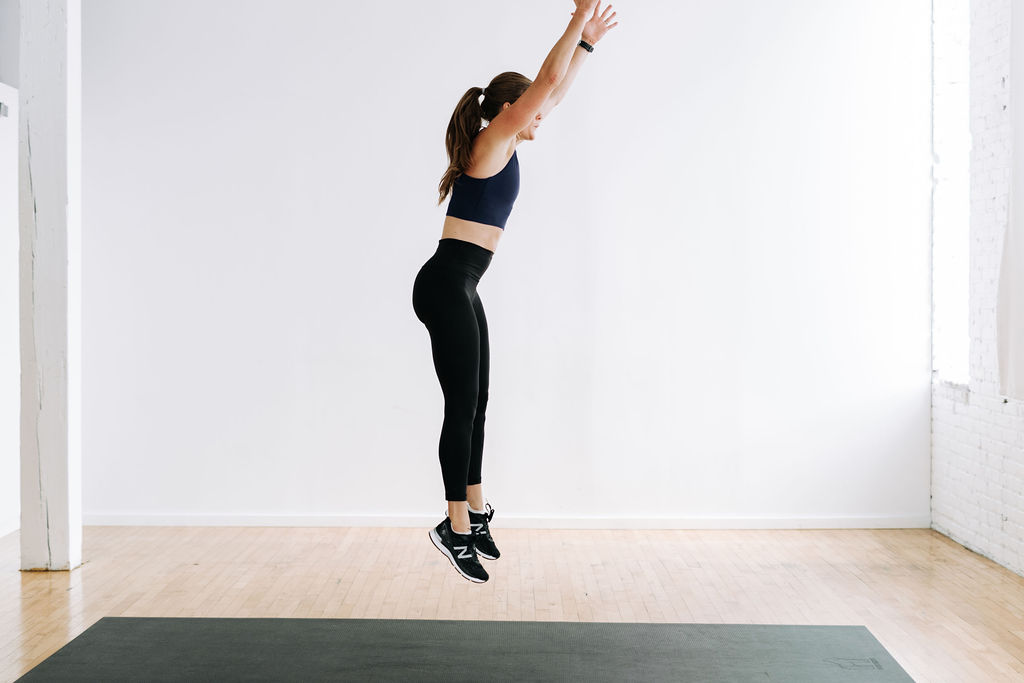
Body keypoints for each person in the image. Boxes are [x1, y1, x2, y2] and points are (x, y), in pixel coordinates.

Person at [412, 0, 619, 583]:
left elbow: (554, 90)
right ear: (508, 109)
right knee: (461, 406)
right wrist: (576, 17)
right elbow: (546, 85)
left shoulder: (507, 141)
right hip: (446, 284)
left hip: (461, 285)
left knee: (477, 402)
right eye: (530, 109)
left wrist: (587, 46)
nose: (542, 116)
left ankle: (474, 514)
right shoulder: (492, 140)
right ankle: (451, 528)